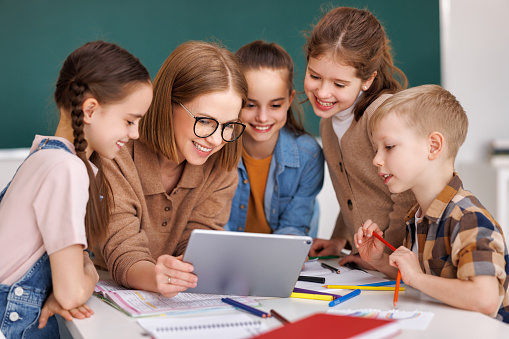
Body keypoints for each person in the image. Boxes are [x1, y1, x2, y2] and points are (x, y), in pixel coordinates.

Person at [0, 41, 152, 338]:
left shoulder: (44, 154)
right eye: (130, 121)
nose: (135, 134)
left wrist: (77, 271)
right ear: (91, 109)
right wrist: (89, 271)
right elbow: (71, 294)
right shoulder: (66, 169)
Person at [94, 41, 248, 298]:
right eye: (206, 121)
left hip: (170, 296)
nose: (217, 140)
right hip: (105, 289)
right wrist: (157, 277)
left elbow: (200, 241)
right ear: (168, 103)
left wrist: (185, 268)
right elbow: (123, 249)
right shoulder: (117, 150)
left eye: (229, 125)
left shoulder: (221, 163)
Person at [355, 84, 509, 322]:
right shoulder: (417, 216)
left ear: (433, 146)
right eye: (377, 149)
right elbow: (425, 279)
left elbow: (485, 298)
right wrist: (381, 261)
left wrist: (416, 278)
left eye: (388, 147)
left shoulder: (467, 217)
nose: (376, 159)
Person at [304, 7, 416, 263]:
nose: (322, 92)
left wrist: (385, 255)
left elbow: (409, 197)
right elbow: (351, 193)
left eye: (339, 84)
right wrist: (339, 240)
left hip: (401, 261)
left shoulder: (381, 116)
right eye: (314, 76)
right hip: (369, 259)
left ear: (367, 80)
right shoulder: (329, 122)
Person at [225, 40, 324, 237]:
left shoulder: (309, 156)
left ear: (289, 100)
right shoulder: (216, 146)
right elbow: (213, 226)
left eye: (275, 106)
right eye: (250, 105)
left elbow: (294, 228)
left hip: (277, 258)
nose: (262, 117)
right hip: (230, 255)